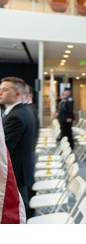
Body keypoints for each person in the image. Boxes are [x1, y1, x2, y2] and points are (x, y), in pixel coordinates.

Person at [0, 76, 37, 219]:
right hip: (23, 166)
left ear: (17, 93)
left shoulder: (16, 116)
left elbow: (5, 149)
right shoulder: (22, 110)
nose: (0, 93)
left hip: (16, 170)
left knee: (18, 211)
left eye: (4, 90)